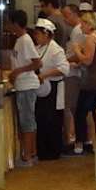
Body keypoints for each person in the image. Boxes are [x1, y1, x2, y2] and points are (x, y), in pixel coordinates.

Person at [6, 9, 42, 167]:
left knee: (27, 121)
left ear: (15, 23)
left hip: (27, 85)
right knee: (27, 120)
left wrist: (17, 72)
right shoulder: (20, 40)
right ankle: (31, 153)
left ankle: (28, 156)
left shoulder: (25, 40)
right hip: (22, 85)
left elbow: (37, 63)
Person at [69, 10, 96, 154]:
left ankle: (79, 143)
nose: (80, 27)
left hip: (91, 82)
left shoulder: (90, 39)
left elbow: (87, 60)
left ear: (88, 24)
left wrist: (76, 50)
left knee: (80, 112)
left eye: (82, 24)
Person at [31, 18, 69, 161]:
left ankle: (53, 151)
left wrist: (45, 75)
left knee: (52, 120)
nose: (36, 37)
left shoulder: (55, 49)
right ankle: (42, 150)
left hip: (53, 87)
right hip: (41, 87)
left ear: (46, 34)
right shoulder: (38, 48)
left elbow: (64, 68)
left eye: (38, 34)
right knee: (41, 119)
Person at [60, 4, 86, 148]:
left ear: (75, 14)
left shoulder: (77, 30)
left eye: (67, 15)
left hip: (73, 73)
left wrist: (64, 61)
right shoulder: (76, 30)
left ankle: (72, 137)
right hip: (73, 71)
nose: (65, 19)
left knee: (70, 107)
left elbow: (78, 54)